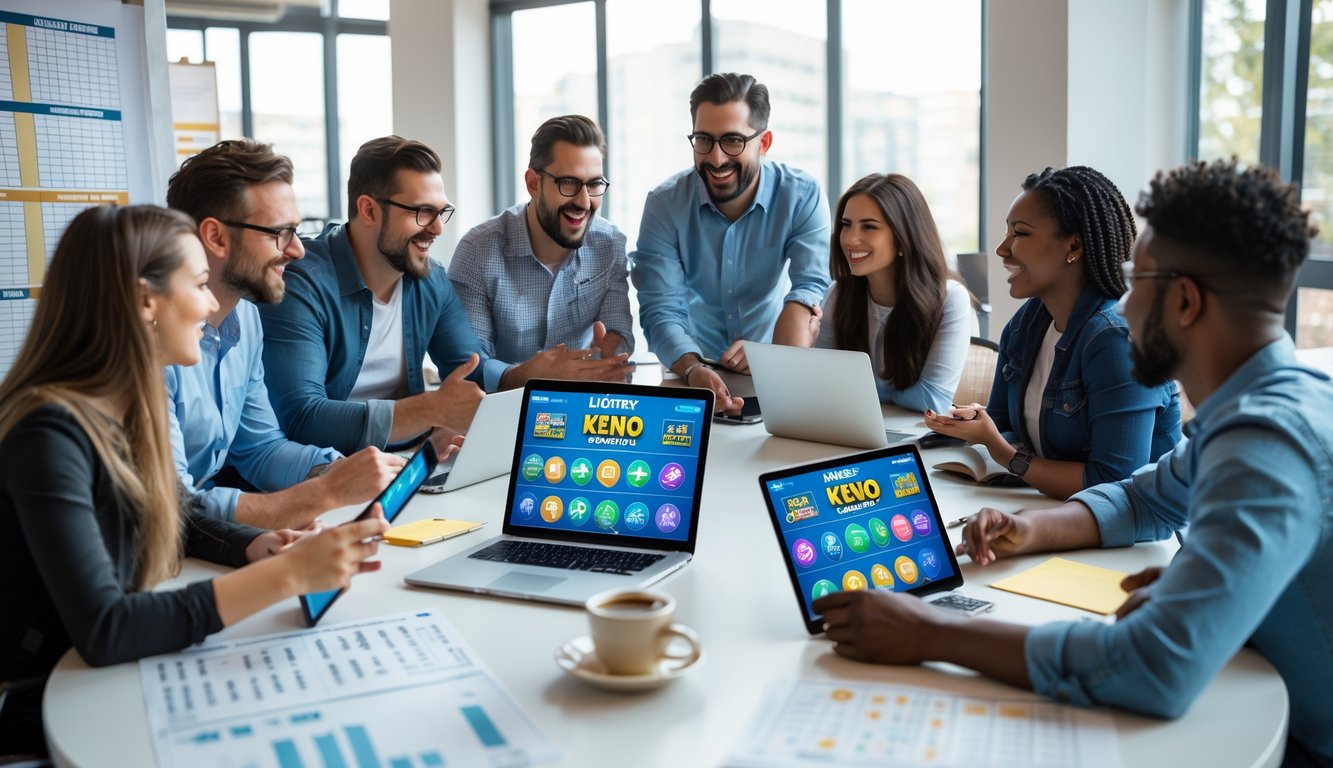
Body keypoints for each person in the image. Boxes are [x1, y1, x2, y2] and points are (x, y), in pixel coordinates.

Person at [814, 159, 1333, 765]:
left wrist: (929, 632)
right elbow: (1143, 496)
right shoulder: (1270, 405)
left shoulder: (1264, 444)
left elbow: (1153, 669)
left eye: (1138, 276)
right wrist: (1028, 528)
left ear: (1185, 301)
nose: (1123, 294)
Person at [0, 205, 388, 756]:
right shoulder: (49, 435)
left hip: (103, 684)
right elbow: (106, 627)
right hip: (42, 704)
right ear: (144, 301)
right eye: (201, 285)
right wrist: (286, 578)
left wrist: (258, 547)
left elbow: (174, 512)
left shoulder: (127, 406)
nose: (211, 307)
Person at [165, 139, 404, 529]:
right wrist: (324, 493)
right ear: (216, 237)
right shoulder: (154, 345)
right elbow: (174, 504)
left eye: (298, 231)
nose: (298, 251)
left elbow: (260, 449)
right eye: (280, 233)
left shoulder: (247, 318)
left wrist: (342, 470)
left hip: (196, 543)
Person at [923, 166, 1180, 499]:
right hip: (1053, 509)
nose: (1002, 249)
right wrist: (975, 422)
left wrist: (1006, 455)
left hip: (1139, 539)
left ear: (1073, 245)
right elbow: (1003, 421)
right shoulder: (1026, 323)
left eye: (1021, 233)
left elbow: (1115, 483)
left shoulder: (1116, 339)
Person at [258, 135, 484, 456]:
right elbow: (302, 417)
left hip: (411, 458)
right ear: (368, 210)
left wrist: (534, 375)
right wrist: (431, 411)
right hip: (329, 471)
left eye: (441, 212)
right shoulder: (300, 283)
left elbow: (472, 375)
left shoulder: (430, 278)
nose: (437, 228)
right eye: (422, 212)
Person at [631, 72, 831, 412]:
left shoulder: (802, 195)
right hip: (690, 371)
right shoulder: (664, 204)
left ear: (764, 143)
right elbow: (661, 308)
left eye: (733, 141)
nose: (717, 158)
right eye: (704, 140)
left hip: (775, 370)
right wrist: (694, 369)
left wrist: (776, 361)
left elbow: (809, 287)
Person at [449, 115, 633, 391]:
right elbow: (467, 368)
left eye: (594, 184)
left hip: (578, 408)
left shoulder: (610, 245)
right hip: (501, 413)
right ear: (534, 184)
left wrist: (609, 357)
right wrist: (527, 374)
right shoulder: (478, 251)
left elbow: (617, 333)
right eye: (568, 183)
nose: (584, 202)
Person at [815, 173, 977, 414]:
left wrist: (853, 388)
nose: (850, 239)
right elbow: (820, 380)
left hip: (916, 437)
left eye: (869, 227)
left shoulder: (951, 299)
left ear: (903, 237)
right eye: (846, 225)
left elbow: (933, 399)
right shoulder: (839, 294)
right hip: (856, 426)